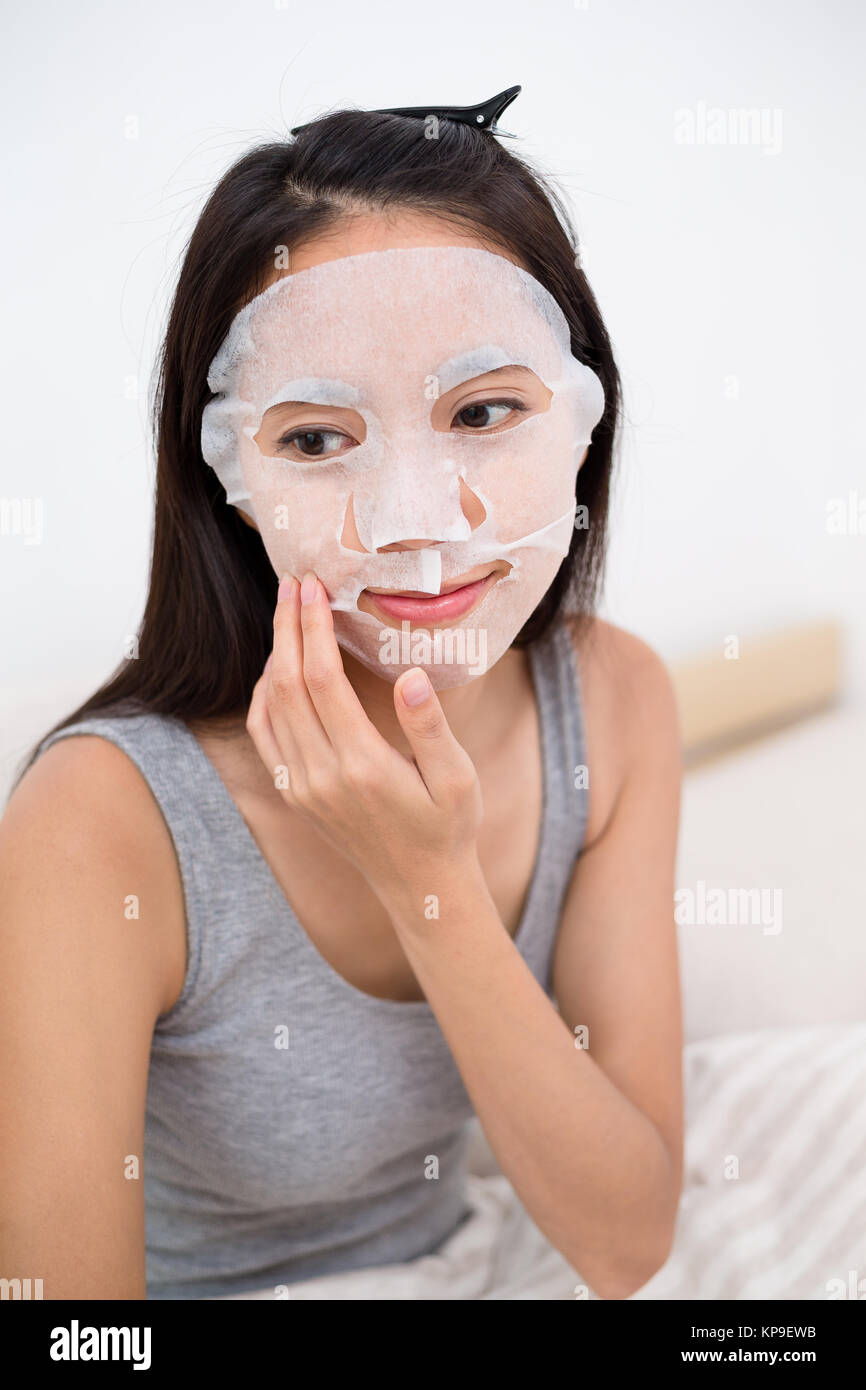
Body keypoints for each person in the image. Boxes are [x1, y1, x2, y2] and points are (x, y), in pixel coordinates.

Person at [0, 98, 684, 1301]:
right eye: (317, 440)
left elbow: (623, 1241)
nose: (415, 522)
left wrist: (429, 885)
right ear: (228, 480)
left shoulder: (615, 702)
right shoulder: (97, 818)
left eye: (482, 412)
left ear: (584, 417)